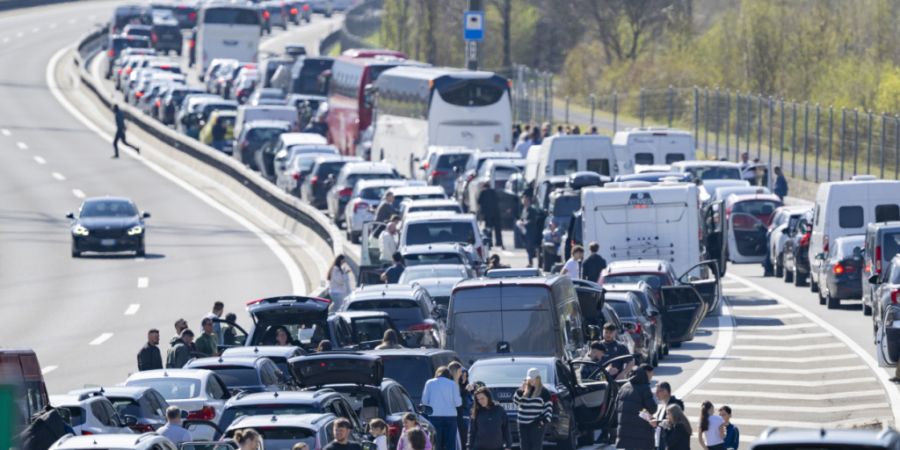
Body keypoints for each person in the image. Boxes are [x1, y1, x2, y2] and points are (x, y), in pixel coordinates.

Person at [614, 365, 657, 450]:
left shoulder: (623, 387)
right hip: (641, 432)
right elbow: (652, 409)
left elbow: (616, 407)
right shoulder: (644, 388)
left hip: (624, 432)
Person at [422, 366, 462, 450]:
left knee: (436, 445)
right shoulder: (453, 384)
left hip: (434, 417)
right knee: (450, 445)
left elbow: (424, 402)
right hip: (451, 418)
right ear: (448, 375)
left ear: (437, 373)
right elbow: (458, 403)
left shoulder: (429, 383)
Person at [514, 368, 552, 450]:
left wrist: (544, 420)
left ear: (538, 379)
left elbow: (548, 408)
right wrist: (521, 391)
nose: (531, 381)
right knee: (524, 446)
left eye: (533, 379)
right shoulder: (524, 390)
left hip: (536, 423)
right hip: (522, 423)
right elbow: (516, 402)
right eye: (529, 379)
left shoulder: (544, 392)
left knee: (536, 446)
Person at [652, 382, 684, 450]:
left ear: (665, 392)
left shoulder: (675, 405)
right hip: (661, 442)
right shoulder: (662, 406)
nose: (656, 394)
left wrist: (657, 422)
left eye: (658, 391)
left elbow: (675, 421)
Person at [477, 182, 503, 249]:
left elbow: (479, 202)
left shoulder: (483, 193)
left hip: (488, 215)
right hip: (496, 213)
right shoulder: (494, 192)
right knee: (497, 229)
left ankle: (489, 243)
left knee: (488, 230)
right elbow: (499, 200)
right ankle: (499, 242)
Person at [518, 196, 542, 267]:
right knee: (528, 247)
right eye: (524, 201)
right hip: (524, 230)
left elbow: (534, 220)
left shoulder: (532, 210)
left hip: (531, 231)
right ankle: (530, 261)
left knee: (531, 247)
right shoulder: (523, 209)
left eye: (526, 201)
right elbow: (522, 218)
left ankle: (531, 262)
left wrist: (526, 222)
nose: (525, 203)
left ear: (529, 202)